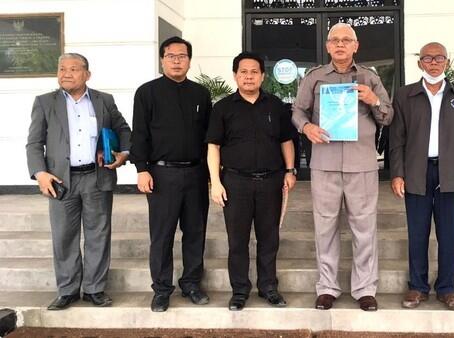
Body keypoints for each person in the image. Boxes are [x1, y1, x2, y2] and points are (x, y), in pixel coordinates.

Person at [292, 22, 393, 311]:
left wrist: (374, 100)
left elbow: (387, 116)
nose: (340, 44)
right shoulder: (314, 77)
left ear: (355, 46)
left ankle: (364, 289)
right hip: (324, 162)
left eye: (346, 40)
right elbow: (297, 110)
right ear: (327, 46)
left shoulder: (370, 78)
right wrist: (306, 126)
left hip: (361, 164)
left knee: (364, 228)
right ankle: (327, 287)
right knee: (325, 227)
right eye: (334, 40)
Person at [26, 53, 131, 310]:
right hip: (61, 180)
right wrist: (40, 173)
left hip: (96, 177)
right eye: (62, 69)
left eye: (73, 69)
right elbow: (34, 143)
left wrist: (122, 154)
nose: (66, 73)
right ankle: (68, 290)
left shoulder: (103, 100)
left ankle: (95, 289)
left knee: (98, 234)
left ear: (87, 74)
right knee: (64, 236)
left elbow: (123, 130)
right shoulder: (44, 102)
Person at [388, 42, 454, 311]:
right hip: (417, 172)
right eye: (427, 58)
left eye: (439, 58)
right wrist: (397, 173)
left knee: (448, 233)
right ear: (419, 63)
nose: (433, 63)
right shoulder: (405, 95)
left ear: (447, 61)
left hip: (450, 173)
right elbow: (397, 139)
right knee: (417, 233)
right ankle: (417, 287)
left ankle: (447, 288)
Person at [206, 51, 296, 311]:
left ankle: (268, 287)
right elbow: (214, 146)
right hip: (235, 182)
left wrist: (290, 171)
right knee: (237, 240)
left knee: (269, 238)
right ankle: (240, 290)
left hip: (271, 182)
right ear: (235, 75)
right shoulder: (223, 108)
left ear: (262, 76)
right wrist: (216, 182)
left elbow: (286, 140)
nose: (248, 76)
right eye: (243, 72)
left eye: (254, 71)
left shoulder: (275, 105)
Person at [130, 36, 212, 312]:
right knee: (162, 234)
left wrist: (212, 174)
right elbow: (139, 134)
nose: (177, 61)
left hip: (196, 174)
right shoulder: (147, 92)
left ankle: (191, 283)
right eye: (171, 56)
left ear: (190, 59)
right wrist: (141, 169)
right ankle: (162, 289)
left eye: (182, 56)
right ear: (162, 60)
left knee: (195, 232)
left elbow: (208, 137)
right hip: (161, 175)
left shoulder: (201, 94)